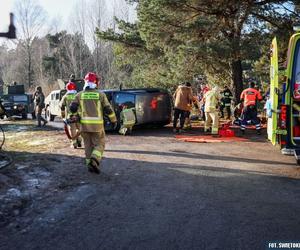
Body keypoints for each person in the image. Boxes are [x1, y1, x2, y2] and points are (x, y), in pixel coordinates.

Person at [69, 72, 117, 174]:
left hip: (84, 127)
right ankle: (94, 160)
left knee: (87, 146)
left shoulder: (79, 95)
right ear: (96, 82)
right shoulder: (100, 95)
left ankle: (89, 165)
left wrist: (73, 116)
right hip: (97, 127)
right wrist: (113, 120)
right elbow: (108, 110)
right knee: (100, 144)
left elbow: (72, 108)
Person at [60, 81, 82, 148]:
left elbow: (62, 106)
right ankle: (80, 140)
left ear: (67, 88)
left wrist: (63, 116)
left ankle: (74, 143)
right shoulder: (78, 95)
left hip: (70, 117)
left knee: (72, 130)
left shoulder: (65, 97)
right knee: (79, 129)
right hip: (78, 116)